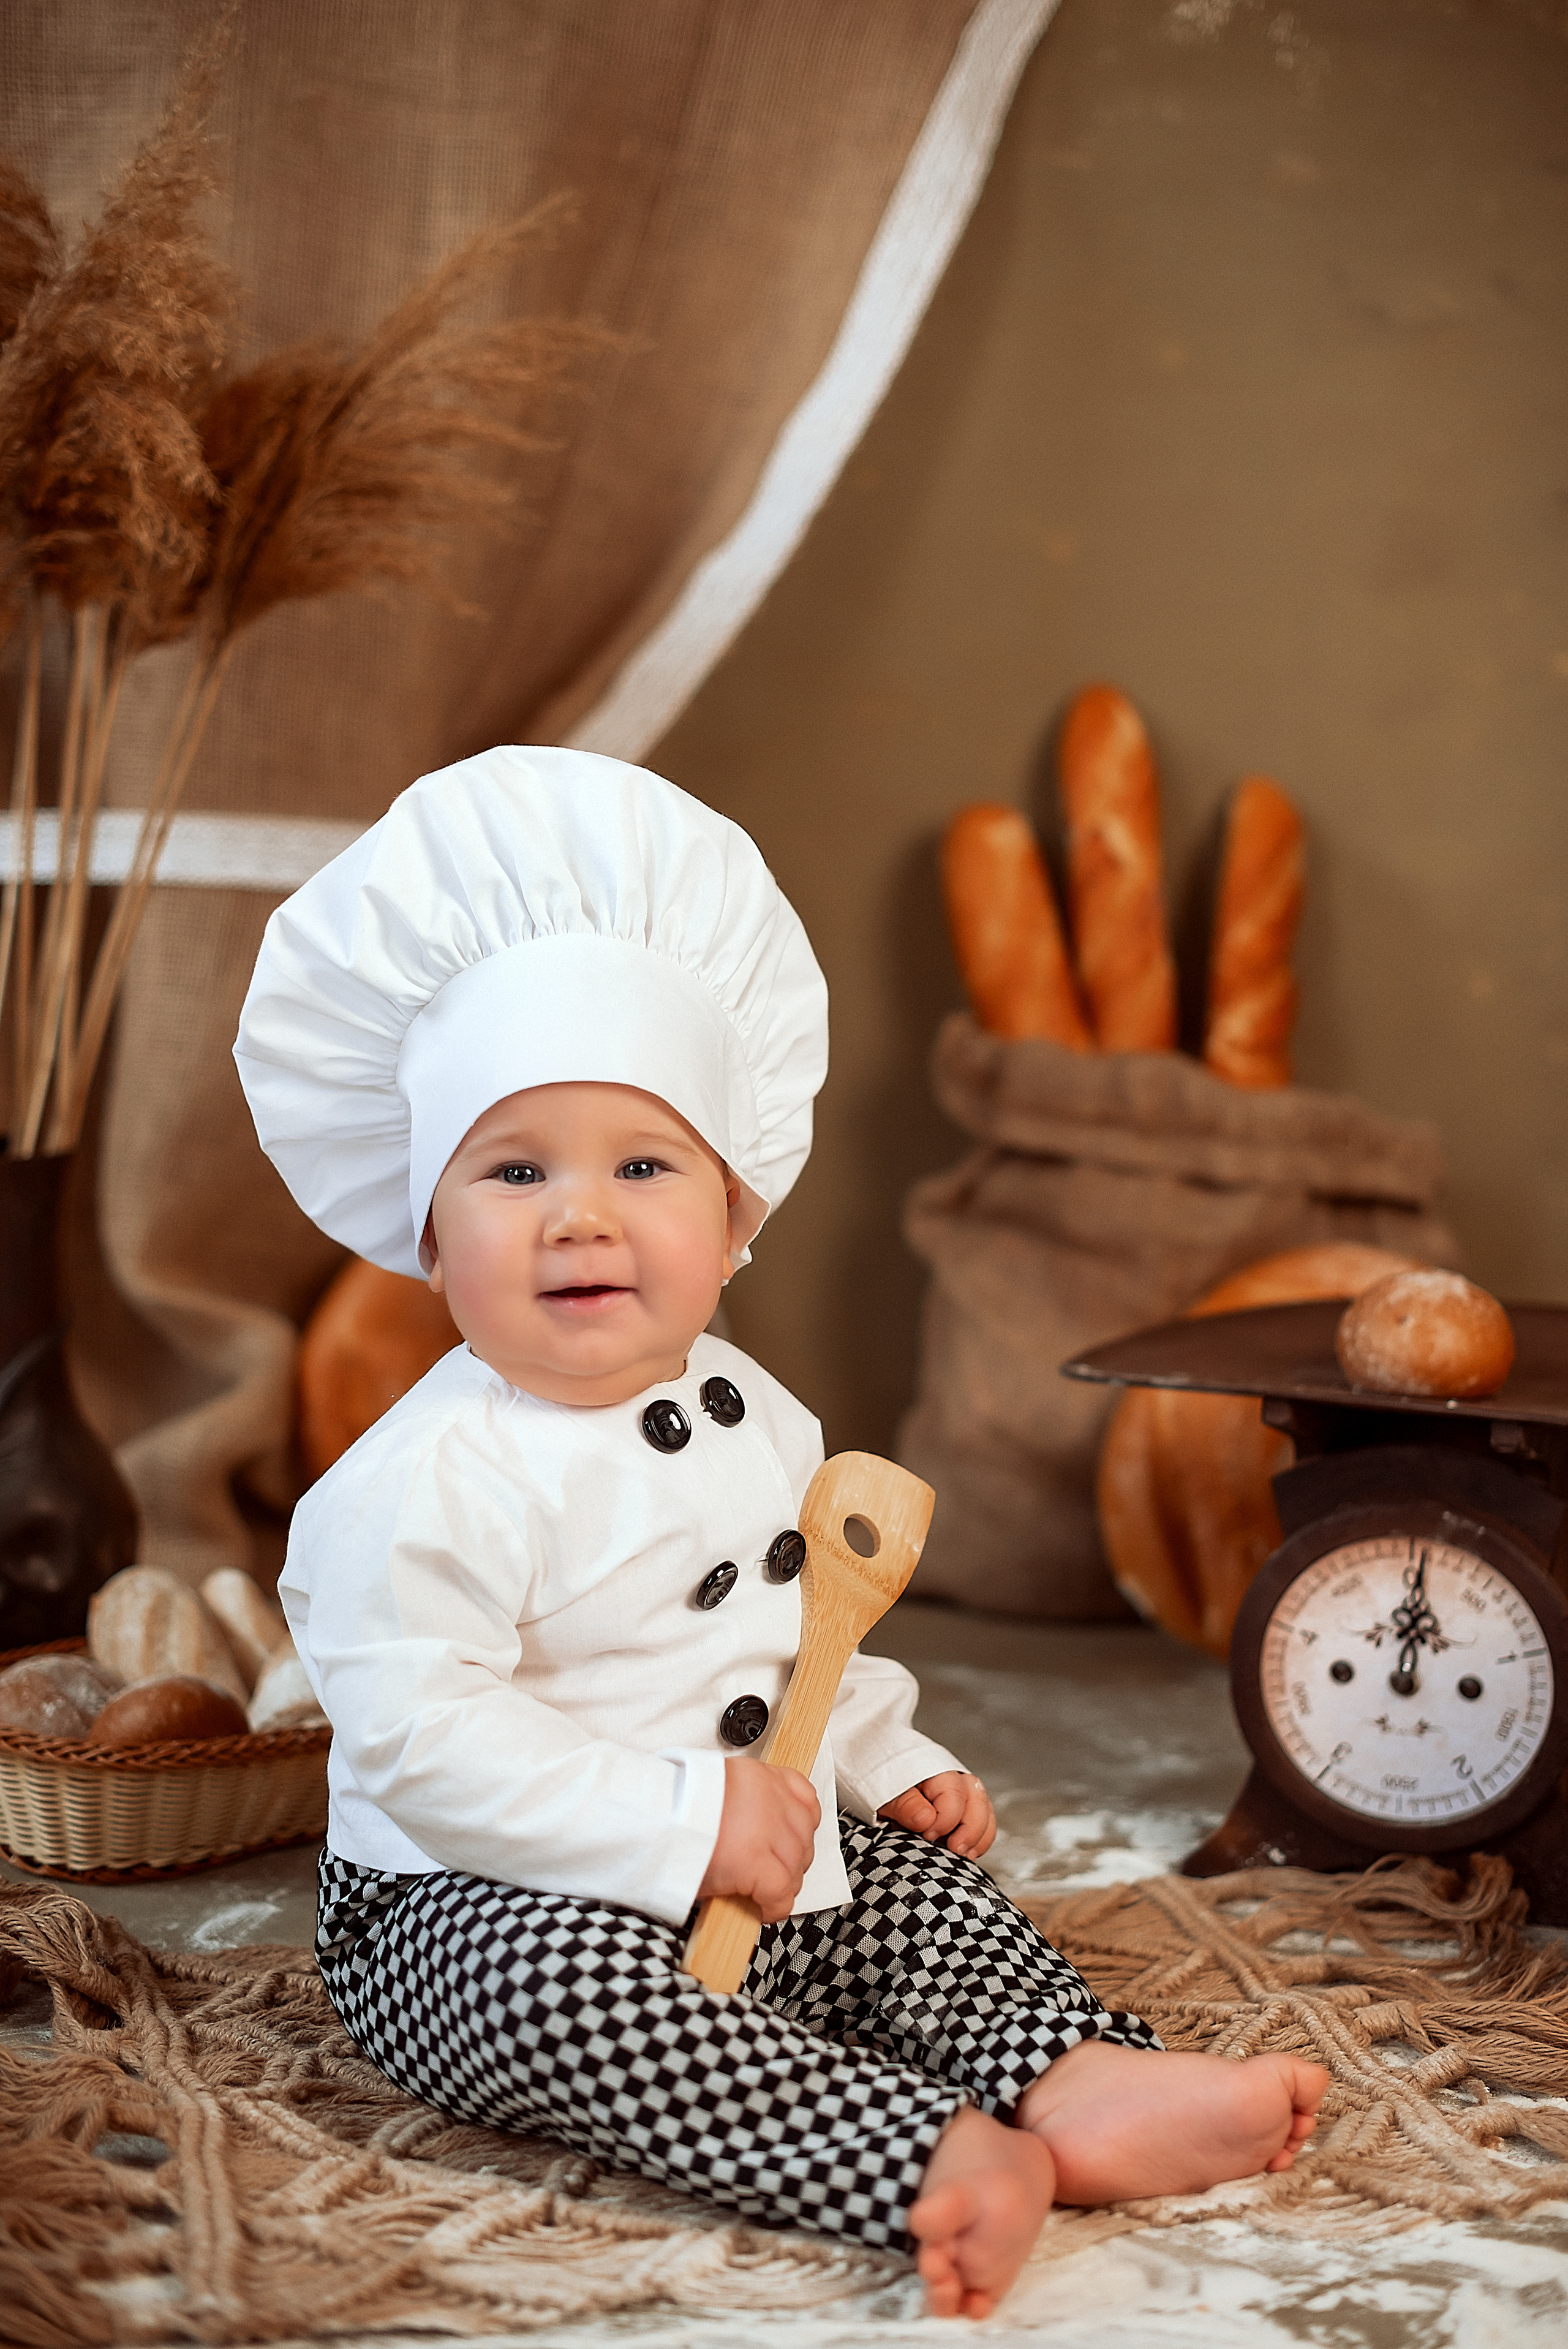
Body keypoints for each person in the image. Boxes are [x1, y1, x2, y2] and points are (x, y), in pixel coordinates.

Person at [235, 747, 1327, 2321]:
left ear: (737, 1216)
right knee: (578, 2011)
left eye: (644, 1165)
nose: (579, 1216)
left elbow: (800, 1640)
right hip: (473, 1901)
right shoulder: (413, 1486)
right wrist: (680, 1826)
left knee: (919, 1901)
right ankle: (920, 2153)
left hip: (753, 1842)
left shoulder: (763, 1416)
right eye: (513, 1169)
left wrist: (883, 1756)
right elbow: (426, 1749)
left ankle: (1077, 2078)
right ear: (424, 1221)